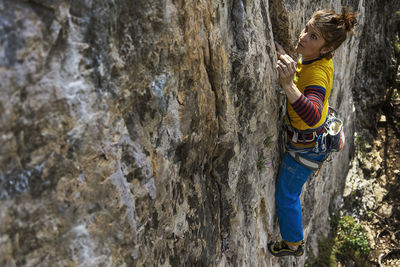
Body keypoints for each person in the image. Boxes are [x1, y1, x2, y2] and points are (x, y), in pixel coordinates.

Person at [267, 8, 357, 257]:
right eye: (307, 28)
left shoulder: (318, 73)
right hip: (311, 141)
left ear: (326, 49)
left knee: (287, 195)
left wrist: (287, 85)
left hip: (305, 149)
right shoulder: (316, 59)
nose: (303, 36)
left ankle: (293, 245)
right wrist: (288, 60)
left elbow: (314, 113)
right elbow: (303, 75)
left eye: (313, 36)